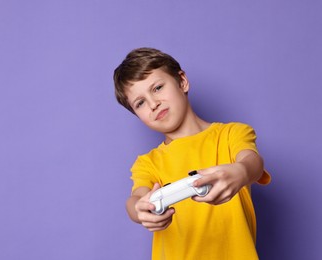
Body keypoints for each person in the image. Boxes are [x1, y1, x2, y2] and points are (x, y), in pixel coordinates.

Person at [113, 47, 271, 259]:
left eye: (158, 88)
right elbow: (136, 199)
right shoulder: (147, 163)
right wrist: (139, 210)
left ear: (182, 82)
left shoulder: (232, 134)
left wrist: (241, 172)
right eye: (140, 103)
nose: (153, 104)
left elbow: (252, 162)